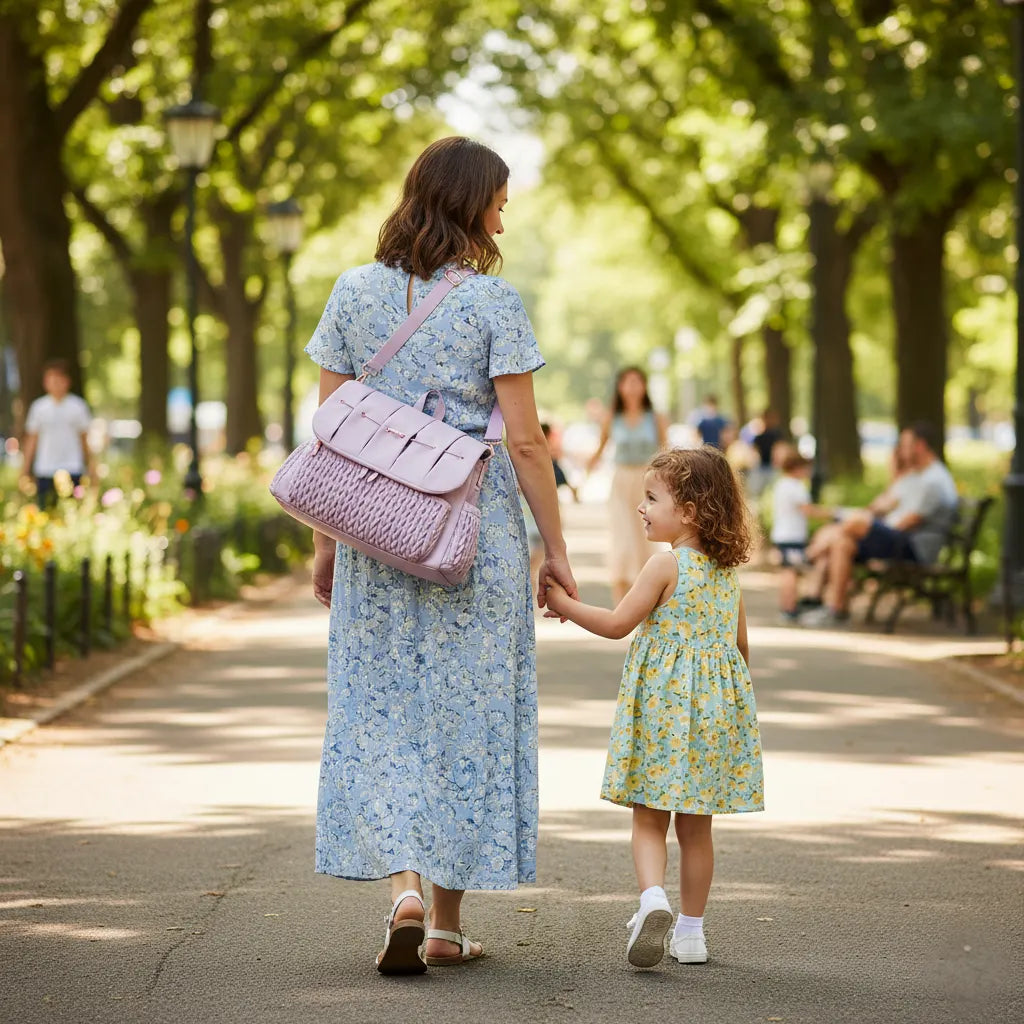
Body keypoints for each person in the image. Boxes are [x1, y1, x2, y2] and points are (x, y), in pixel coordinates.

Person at [303, 137, 578, 975]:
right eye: (498, 196)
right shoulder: (496, 305)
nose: (507, 210)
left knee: (382, 711)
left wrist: (326, 544)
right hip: (473, 539)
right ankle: (450, 926)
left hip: (379, 536)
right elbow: (526, 444)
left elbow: (333, 439)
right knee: (468, 720)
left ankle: (404, 893)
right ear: (466, 202)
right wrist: (555, 551)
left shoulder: (352, 292)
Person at [543, 446, 764, 969]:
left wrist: (563, 605)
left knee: (648, 818)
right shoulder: (725, 574)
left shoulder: (665, 564)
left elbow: (619, 624)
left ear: (689, 509)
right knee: (697, 827)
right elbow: (740, 650)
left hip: (663, 711)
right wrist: (728, 711)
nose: (640, 507)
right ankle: (691, 933)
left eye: (651, 498)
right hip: (712, 715)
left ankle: (651, 901)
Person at [802, 422, 957, 627]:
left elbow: (908, 522)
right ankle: (837, 610)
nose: (901, 450)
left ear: (920, 446)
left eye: (905, 445)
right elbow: (880, 506)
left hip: (913, 546)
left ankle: (811, 553)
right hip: (898, 538)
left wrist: (873, 528)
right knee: (842, 542)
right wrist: (872, 523)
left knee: (855, 523)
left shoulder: (934, 481)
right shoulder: (915, 477)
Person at [588, 367, 669, 603]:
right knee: (623, 541)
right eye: (627, 382)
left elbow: (667, 451)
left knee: (647, 540)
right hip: (621, 483)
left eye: (637, 381)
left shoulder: (655, 418)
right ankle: (620, 603)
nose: (632, 387)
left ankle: (646, 602)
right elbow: (600, 449)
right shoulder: (612, 417)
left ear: (644, 386)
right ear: (620, 387)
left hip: (650, 483)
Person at [771, 452, 835, 622]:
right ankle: (790, 607)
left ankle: (787, 606)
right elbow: (808, 510)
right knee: (792, 572)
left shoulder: (781, 484)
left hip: (781, 534)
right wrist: (831, 514)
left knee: (788, 570)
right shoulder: (796, 487)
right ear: (797, 468)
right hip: (792, 535)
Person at [20, 359, 93, 506]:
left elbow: (85, 440)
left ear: (67, 381)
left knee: (71, 511)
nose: (55, 384)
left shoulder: (78, 407)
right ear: (45, 383)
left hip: (73, 467)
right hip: (45, 469)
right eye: (51, 380)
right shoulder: (39, 408)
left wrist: (91, 466)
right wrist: (25, 469)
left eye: (59, 380)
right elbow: (32, 440)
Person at [749, 409, 784, 498]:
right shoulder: (759, 435)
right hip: (761, 466)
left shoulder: (777, 434)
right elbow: (754, 451)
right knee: (756, 492)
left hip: (772, 466)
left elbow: (779, 449)